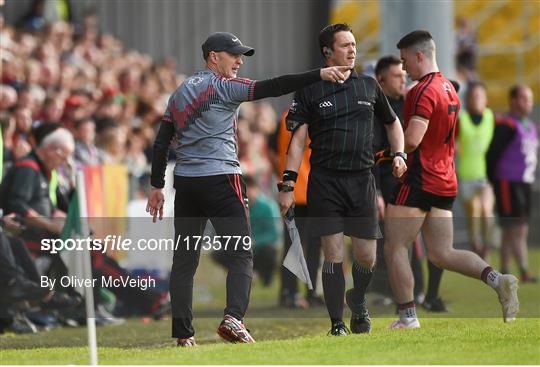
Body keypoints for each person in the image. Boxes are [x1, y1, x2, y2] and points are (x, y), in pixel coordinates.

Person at [146, 31, 350, 347]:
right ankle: (234, 319)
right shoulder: (225, 88)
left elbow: (161, 143)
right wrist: (319, 74)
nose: (240, 60)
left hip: (186, 183)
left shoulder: (179, 92)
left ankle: (184, 335)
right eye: (234, 54)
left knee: (184, 260)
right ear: (214, 56)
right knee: (241, 252)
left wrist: (157, 185)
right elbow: (274, 85)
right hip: (221, 179)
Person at [383, 30, 519, 329]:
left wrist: (390, 152)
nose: (404, 69)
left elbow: (414, 139)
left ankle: (408, 318)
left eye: (405, 61)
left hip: (419, 179)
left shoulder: (420, 91)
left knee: (395, 246)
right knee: (442, 253)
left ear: (420, 55)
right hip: (446, 180)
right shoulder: (449, 88)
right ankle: (498, 280)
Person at [277, 23, 407, 336]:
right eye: (345, 45)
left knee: (366, 256)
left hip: (362, 181)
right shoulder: (310, 88)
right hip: (326, 182)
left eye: (353, 44)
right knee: (333, 254)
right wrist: (287, 186)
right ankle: (337, 323)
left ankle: (358, 300)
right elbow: (297, 142)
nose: (352, 50)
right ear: (327, 52)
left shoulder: (368, 85)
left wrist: (400, 154)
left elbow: (393, 124)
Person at [487, 84, 538, 283]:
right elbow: (492, 154)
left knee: (512, 228)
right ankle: (524, 269)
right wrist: (495, 179)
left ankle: (505, 269)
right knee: (517, 227)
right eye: (525, 98)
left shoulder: (530, 126)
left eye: (530, 99)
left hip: (524, 182)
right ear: (513, 100)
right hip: (509, 182)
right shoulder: (506, 125)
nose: (529, 103)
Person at [457, 82, 495, 260]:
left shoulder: (490, 117)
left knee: (486, 209)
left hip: (484, 175)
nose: (476, 99)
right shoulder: (461, 120)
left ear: (486, 99)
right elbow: (453, 142)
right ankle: (475, 244)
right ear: (467, 100)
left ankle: (486, 246)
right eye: (473, 96)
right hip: (465, 175)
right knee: (473, 210)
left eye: (480, 96)